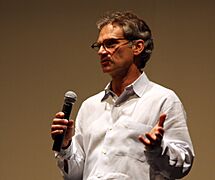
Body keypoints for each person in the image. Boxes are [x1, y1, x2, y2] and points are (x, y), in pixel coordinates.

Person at [51, 11, 194, 180]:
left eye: (111, 44)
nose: (102, 52)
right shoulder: (90, 106)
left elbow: (182, 166)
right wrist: (66, 145)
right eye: (99, 46)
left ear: (137, 47)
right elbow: (75, 175)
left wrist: (158, 149)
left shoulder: (163, 100)